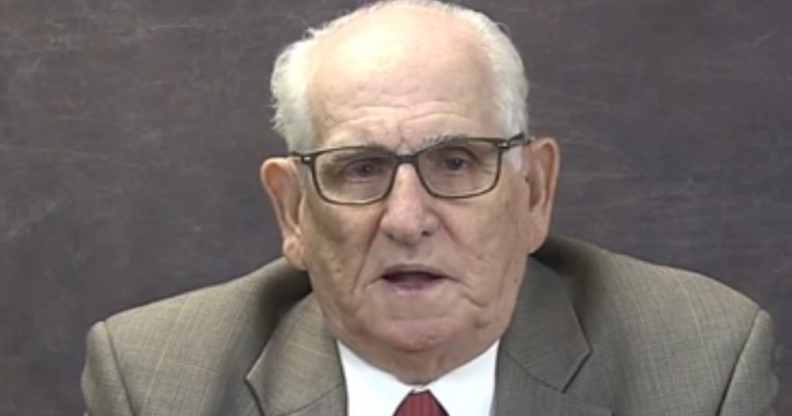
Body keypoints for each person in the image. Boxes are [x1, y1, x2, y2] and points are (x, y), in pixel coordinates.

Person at [81, 1, 778, 415]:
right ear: (293, 212)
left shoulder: (697, 366)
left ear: (533, 192)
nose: (407, 218)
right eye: (361, 168)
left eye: (455, 162)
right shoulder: (158, 381)